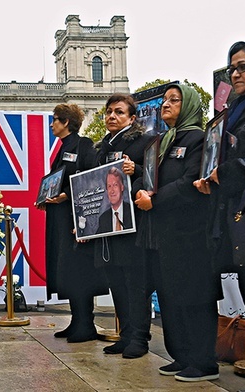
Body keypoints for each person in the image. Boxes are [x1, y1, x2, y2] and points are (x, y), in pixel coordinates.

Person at [134, 84, 222, 382]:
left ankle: (203, 361)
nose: (166, 105)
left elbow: (189, 183)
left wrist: (154, 200)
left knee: (194, 295)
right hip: (162, 234)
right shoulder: (161, 142)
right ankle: (181, 355)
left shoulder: (198, 138)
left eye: (175, 100)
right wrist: (140, 193)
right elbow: (149, 179)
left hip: (190, 234)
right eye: (165, 100)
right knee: (170, 295)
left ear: (189, 106)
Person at [194, 41, 245, 392]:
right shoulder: (231, 109)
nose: (235, 74)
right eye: (232, 67)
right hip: (234, 215)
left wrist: (230, 171)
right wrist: (211, 177)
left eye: (244, 66)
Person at [38, 103, 108, 343]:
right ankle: (76, 320)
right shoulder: (62, 148)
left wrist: (66, 194)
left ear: (66, 122)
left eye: (55, 119)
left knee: (80, 272)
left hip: (76, 218)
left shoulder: (84, 145)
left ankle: (86, 324)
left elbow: (92, 178)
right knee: (67, 271)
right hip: (60, 217)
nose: (52, 124)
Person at [93, 94, 154, 359]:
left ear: (132, 118)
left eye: (119, 112)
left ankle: (140, 337)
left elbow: (154, 175)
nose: (112, 116)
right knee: (116, 281)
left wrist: (137, 168)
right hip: (109, 227)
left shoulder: (145, 142)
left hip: (134, 227)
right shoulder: (102, 147)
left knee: (135, 282)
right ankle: (125, 333)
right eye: (108, 112)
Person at [96, 167, 133, 233]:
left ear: (122, 187)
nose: (112, 191)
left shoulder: (132, 211)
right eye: (109, 186)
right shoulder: (103, 219)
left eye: (115, 185)